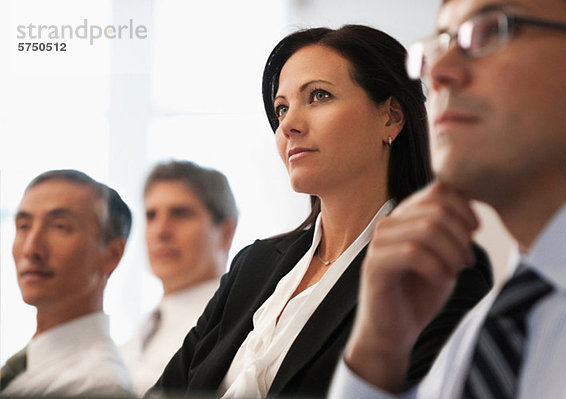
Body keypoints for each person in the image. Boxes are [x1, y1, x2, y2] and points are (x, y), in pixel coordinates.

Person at [149, 25, 492, 399]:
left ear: (391, 116)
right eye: (282, 108)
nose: (289, 125)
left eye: (318, 96)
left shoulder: (436, 267)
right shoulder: (253, 265)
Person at [329, 0, 566, 398]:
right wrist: (377, 351)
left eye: (489, 30)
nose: (438, 73)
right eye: (440, 45)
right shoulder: (482, 335)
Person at [0, 170, 133, 396]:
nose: (31, 249)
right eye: (23, 226)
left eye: (60, 227)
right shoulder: (31, 363)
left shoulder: (95, 386)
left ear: (111, 254)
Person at [121, 160, 238, 395]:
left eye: (180, 214)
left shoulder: (233, 328)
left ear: (225, 233)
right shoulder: (135, 338)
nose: (160, 231)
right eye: (151, 216)